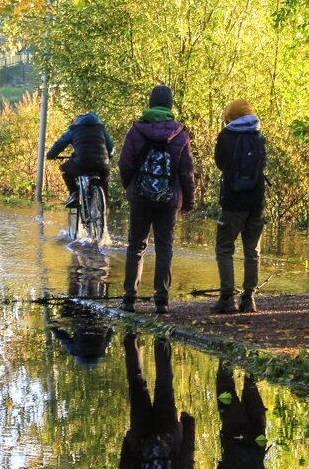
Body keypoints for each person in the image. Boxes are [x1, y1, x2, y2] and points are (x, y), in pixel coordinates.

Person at [118, 84, 196, 314]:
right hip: (169, 200)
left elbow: (125, 163)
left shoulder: (136, 131)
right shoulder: (180, 134)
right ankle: (161, 300)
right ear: (170, 105)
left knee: (136, 246)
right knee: (164, 248)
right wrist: (188, 202)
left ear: (150, 103)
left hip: (140, 198)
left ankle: (129, 299)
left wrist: (131, 188)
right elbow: (186, 172)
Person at [212, 99, 266, 313]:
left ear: (230, 115)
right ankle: (249, 299)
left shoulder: (226, 135)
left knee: (224, 248)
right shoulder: (258, 135)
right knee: (252, 250)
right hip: (257, 201)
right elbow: (263, 163)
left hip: (233, 201)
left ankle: (227, 298)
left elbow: (220, 163)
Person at [118, 333, 196, 469]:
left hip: (168, 434)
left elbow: (186, 460)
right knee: (136, 383)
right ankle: (131, 338)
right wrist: (129, 440)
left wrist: (188, 425)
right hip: (140, 435)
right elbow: (126, 464)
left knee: (164, 384)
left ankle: (161, 339)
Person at [46, 112, 114, 207]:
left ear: (78, 121)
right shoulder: (101, 129)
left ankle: (74, 195)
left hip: (82, 162)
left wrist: (51, 155)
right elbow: (110, 146)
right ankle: (105, 205)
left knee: (64, 168)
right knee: (104, 183)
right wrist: (109, 157)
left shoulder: (74, 129)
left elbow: (60, 143)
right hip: (102, 164)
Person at [216, 362, 267, 469]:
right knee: (226, 385)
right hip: (236, 431)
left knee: (249, 384)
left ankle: (241, 350)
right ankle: (230, 350)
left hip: (252, 436)